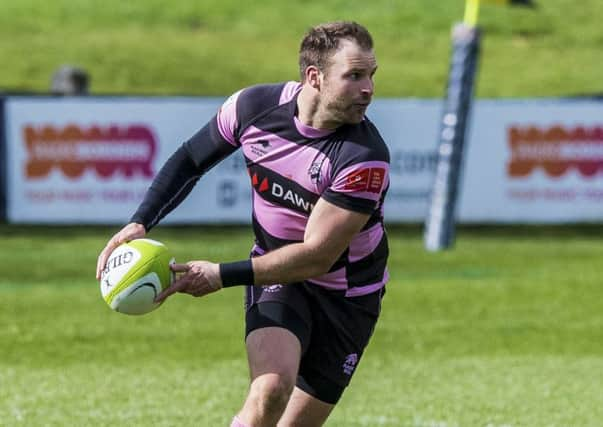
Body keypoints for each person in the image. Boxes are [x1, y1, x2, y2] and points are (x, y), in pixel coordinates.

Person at [96, 21, 390, 427]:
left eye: (371, 75)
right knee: (269, 393)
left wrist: (220, 275)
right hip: (277, 276)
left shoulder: (363, 157)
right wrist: (139, 223)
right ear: (314, 77)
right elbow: (190, 161)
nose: (368, 88)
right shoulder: (253, 108)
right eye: (354, 75)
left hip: (349, 295)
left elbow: (317, 257)